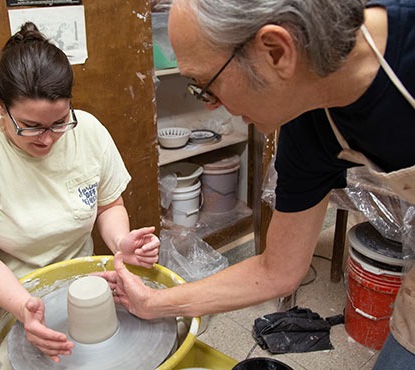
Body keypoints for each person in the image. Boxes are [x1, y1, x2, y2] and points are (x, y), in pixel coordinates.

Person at [99, 1, 415, 369]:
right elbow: (277, 271)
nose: (212, 107)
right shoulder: (308, 125)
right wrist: (151, 303)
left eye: (205, 86)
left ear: (276, 51)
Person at [0, 22, 160, 370]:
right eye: (31, 126)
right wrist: (23, 304)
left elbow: (109, 205)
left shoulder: (88, 131)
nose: (47, 139)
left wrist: (120, 241)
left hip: (73, 273)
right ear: (0, 106)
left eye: (58, 122)